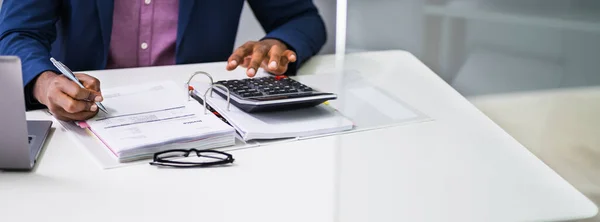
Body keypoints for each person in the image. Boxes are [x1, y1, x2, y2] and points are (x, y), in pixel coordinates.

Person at [0, 0, 326, 121]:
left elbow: (303, 19)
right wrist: (43, 83)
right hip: (86, 122)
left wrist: (276, 43)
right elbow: (16, 33)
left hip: (205, 119)